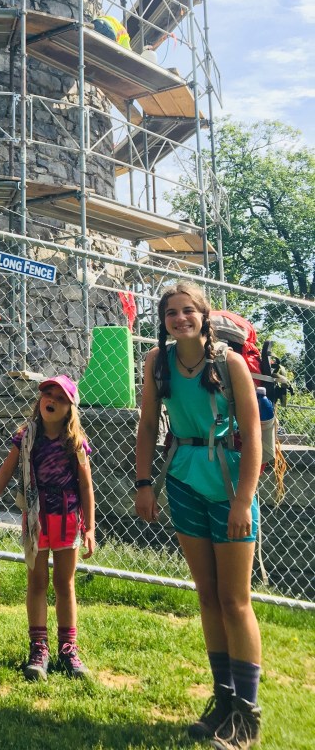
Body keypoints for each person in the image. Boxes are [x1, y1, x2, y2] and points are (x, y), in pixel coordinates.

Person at [135, 284, 263, 750]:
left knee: (235, 600)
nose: (180, 318)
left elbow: (253, 433)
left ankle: (246, 716)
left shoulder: (230, 364)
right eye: (171, 312)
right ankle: (223, 702)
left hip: (229, 486)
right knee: (207, 596)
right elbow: (148, 424)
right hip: (183, 480)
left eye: (188, 310)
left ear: (204, 316)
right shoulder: (157, 362)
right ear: (163, 321)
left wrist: (243, 501)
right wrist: (144, 483)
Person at [0, 374, 95, 681]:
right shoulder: (26, 437)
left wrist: (89, 528)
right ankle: (38, 649)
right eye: (47, 394)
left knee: (64, 583)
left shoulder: (76, 443)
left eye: (60, 398)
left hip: (67, 518)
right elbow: (6, 471)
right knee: (37, 582)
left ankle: (68, 650)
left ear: (70, 409)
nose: (51, 400)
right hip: (36, 519)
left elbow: (86, 486)